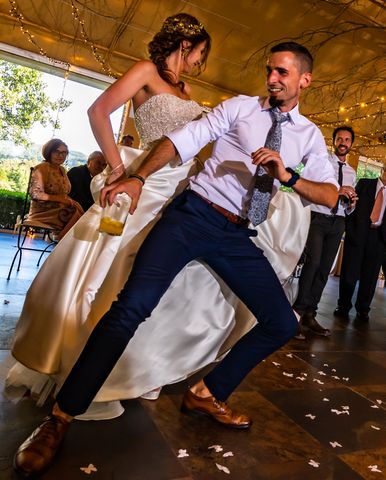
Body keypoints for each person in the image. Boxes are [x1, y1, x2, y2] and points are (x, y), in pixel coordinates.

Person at [13, 41, 338, 478]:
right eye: (270, 70)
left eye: (282, 72)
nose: (273, 78)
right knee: (131, 308)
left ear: (304, 79)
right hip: (194, 215)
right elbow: (181, 141)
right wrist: (137, 178)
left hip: (238, 235)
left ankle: (207, 392)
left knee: (282, 322)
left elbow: (330, 195)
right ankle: (60, 419)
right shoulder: (240, 108)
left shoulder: (310, 136)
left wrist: (288, 176)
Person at [8, 13, 213, 416]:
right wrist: (120, 169)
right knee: (111, 271)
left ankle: (137, 366)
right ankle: (81, 363)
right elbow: (98, 111)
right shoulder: (145, 71)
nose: (200, 63)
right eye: (201, 53)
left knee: (153, 279)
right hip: (140, 186)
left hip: (173, 191)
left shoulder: (187, 89)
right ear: (185, 45)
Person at [292, 125, 357, 339]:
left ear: (351, 145)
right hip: (317, 217)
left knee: (325, 269)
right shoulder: (323, 162)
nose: (343, 143)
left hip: (338, 221)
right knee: (312, 263)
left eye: (347, 140)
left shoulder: (351, 172)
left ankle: (311, 313)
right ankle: (297, 314)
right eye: (340, 139)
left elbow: (349, 205)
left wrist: (351, 203)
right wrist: (337, 190)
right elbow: (312, 184)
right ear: (334, 141)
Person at [334, 161, 386, 321]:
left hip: (378, 238)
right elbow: (351, 205)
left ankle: (363, 309)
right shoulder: (365, 184)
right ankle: (343, 306)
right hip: (358, 233)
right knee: (350, 272)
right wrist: (350, 229)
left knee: (370, 278)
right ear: (382, 169)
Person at [26, 139, 84, 239]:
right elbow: (35, 194)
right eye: (56, 151)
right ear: (49, 152)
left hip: (59, 209)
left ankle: (65, 246)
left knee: (81, 212)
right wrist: (61, 199)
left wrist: (69, 201)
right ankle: (61, 243)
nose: (60, 155)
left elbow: (65, 193)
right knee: (75, 213)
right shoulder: (42, 168)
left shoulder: (62, 170)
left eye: (64, 152)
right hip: (42, 212)